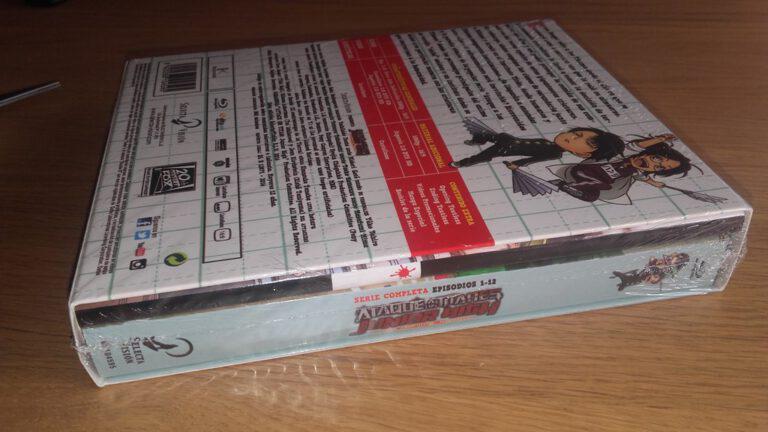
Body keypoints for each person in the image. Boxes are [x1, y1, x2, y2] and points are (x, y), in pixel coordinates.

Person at [543, 143, 692, 203]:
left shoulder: (638, 172)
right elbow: (637, 145)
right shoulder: (625, 154)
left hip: (596, 182)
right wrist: (659, 139)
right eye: (657, 159)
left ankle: (563, 186)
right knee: (604, 185)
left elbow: (645, 179)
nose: (654, 164)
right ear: (649, 153)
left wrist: (656, 183)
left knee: (592, 196)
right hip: (584, 171)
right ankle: (567, 184)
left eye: (660, 168)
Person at [448, 127, 627, 168]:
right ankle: (479, 140)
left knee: (484, 156)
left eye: (581, 140)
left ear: (584, 154)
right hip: (509, 139)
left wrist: (517, 164)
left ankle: (462, 163)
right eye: (576, 133)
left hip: (506, 149)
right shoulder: (549, 143)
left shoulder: (554, 153)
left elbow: (533, 159)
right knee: (487, 134)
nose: (570, 136)